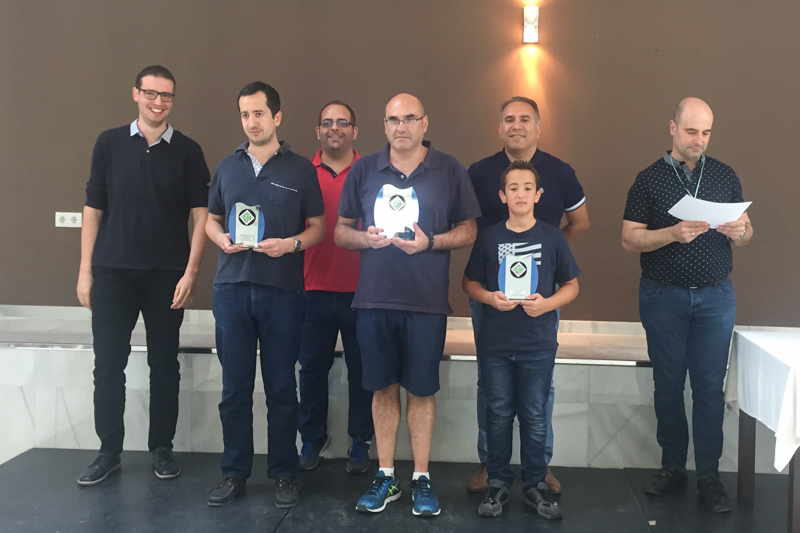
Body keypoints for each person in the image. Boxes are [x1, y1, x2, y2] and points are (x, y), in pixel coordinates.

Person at [335, 93, 481, 517]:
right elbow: (341, 231)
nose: (401, 127)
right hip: (374, 300)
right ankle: (386, 476)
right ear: (384, 125)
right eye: (393, 120)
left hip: (426, 302)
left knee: (421, 390)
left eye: (409, 119)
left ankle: (420, 477)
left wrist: (430, 242)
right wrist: (366, 239)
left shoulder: (449, 169)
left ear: (424, 123)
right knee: (382, 388)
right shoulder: (364, 169)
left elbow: (469, 229)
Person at [76, 65, 210, 486]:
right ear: (135, 93)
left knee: (164, 365)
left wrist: (191, 272)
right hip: (112, 272)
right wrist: (85, 272)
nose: (158, 102)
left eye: (166, 95)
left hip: (167, 275)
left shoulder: (188, 151)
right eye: (150, 93)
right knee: (107, 365)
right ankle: (108, 451)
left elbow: (202, 216)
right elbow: (93, 209)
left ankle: (161, 448)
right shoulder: (109, 143)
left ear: (173, 100)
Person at [621, 97, 753, 513]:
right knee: (668, 385)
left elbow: (747, 232)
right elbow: (629, 238)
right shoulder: (648, 179)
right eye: (692, 131)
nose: (699, 140)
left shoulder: (724, 175)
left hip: (715, 296)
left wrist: (740, 232)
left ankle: (709, 476)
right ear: (673, 128)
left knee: (710, 388)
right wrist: (671, 234)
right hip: (663, 295)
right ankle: (673, 467)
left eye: (706, 132)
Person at [205, 82, 325, 509]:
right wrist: (220, 239)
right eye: (245, 115)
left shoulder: (301, 169)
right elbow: (211, 220)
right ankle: (234, 473)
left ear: (276, 117)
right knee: (234, 390)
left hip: (283, 293)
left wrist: (290, 245)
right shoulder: (227, 167)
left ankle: (284, 474)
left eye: (259, 113)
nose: (251, 122)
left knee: (281, 389)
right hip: (232, 290)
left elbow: (318, 228)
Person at [466, 96, 590, 494]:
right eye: (508, 119)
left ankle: (540, 467)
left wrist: (548, 259)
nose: (516, 125)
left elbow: (580, 221)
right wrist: (488, 291)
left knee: (540, 390)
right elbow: (467, 228)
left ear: (538, 126)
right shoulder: (479, 172)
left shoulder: (560, 171)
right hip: (490, 299)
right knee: (490, 386)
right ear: (499, 128)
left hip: (540, 303)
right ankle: (490, 465)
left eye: (524, 119)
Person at [298, 101, 374, 474]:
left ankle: (360, 441)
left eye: (343, 122)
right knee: (312, 368)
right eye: (327, 122)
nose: (334, 128)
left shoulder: (371, 172)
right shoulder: (301, 173)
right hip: (311, 288)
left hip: (362, 291)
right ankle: (312, 438)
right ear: (318, 131)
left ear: (354, 131)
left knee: (363, 370)